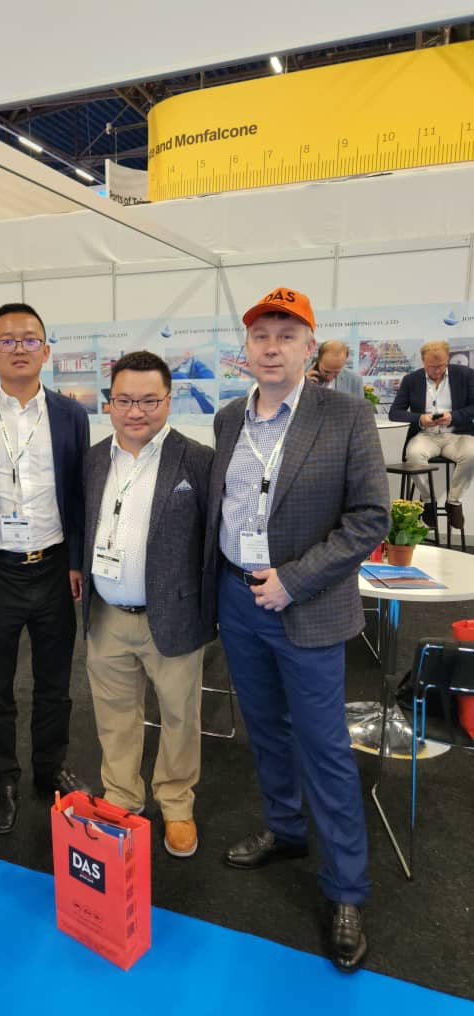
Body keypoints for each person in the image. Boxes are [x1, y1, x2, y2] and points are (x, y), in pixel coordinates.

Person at [203, 286, 389, 972]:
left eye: (287, 335)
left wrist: (294, 579)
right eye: (261, 336)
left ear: (310, 347)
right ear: (246, 348)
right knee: (264, 727)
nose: (272, 347)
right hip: (238, 599)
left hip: (304, 603)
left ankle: (345, 888)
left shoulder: (345, 416)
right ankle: (284, 829)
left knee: (324, 744)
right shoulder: (228, 418)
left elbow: (368, 518)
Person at [0, 303, 90, 835]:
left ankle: (49, 769)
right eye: (8, 340)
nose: (19, 348)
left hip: (54, 567)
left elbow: (79, 493)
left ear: (46, 350)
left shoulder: (70, 415)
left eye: (30, 339)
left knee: (54, 682)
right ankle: (4, 779)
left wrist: (78, 561)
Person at [82, 351, 214, 857]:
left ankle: (177, 801)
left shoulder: (196, 459)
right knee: (114, 714)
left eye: (149, 401)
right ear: (109, 403)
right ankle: (121, 796)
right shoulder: (94, 459)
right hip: (107, 615)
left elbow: (210, 541)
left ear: (169, 400)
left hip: (174, 613)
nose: (136, 411)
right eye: (124, 400)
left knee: (180, 714)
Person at [389, 340, 474, 531]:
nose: (437, 371)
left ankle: (454, 502)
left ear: (448, 359)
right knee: (413, 455)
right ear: (423, 362)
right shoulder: (411, 379)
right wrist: (420, 418)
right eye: (431, 367)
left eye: (441, 365)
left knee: (472, 453)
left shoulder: (466, 375)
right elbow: (395, 412)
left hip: (458, 434)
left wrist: (453, 416)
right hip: (426, 435)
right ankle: (428, 502)